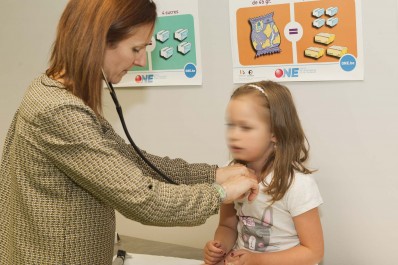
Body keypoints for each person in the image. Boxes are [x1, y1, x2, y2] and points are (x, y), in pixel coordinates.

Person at [0, 1, 259, 264]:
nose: (141, 60)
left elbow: (131, 161)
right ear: (96, 41)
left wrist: (212, 173)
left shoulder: (60, 93)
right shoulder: (58, 109)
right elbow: (143, 198)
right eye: (136, 48)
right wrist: (220, 192)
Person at [203, 81, 324, 265]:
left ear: (274, 133)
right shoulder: (230, 173)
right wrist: (220, 247)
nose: (234, 135)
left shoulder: (297, 183)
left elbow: (313, 252)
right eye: (231, 125)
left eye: (245, 127)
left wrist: (257, 260)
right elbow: (227, 226)